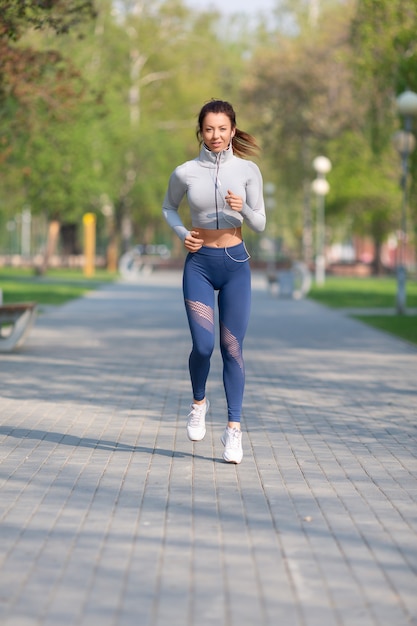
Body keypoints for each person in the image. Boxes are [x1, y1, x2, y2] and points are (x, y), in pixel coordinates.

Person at [162, 99, 266, 464]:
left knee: (232, 348)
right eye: (209, 129)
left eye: (222, 129)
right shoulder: (186, 172)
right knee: (204, 346)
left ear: (233, 130)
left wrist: (244, 208)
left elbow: (261, 223)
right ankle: (198, 402)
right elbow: (168, 207)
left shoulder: (249, 170)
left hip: (236, 263)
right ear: (201, 132)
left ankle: (234, 431)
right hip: (200, 265)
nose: (216, 135)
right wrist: (181, 234)